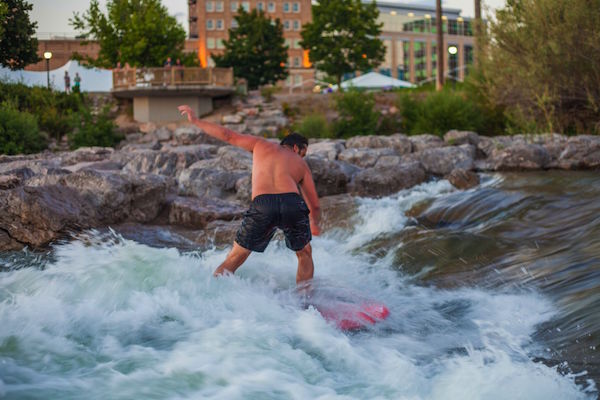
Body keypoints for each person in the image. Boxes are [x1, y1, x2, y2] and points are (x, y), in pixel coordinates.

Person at [178, 105, 321, 284]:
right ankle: (305, 303)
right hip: (292, 203)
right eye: (303, 153)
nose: (302, 158)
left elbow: (228, 135)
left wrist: (196, 121)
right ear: (294, 147)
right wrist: (314, 223)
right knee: (305, 253)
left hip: (263, 204)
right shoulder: (301, 165)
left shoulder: (260, 144)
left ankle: (213, 291)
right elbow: (314, 204)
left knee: (237, 256)